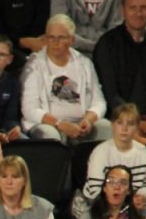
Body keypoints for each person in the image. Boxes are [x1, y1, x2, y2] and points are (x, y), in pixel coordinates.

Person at [93, 0, 146, 190]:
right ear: (123, 10)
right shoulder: (107, 44)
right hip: (120, 121)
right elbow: (109, 92)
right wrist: (134, 124)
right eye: (133, 7)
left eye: (143, 7)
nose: (138, 13)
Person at [21, 13, 110, 143]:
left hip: (80, 123)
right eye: (51, 37)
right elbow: (29, 109)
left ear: (72, 40)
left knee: (106, 127)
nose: (55, 43)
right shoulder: (34, 65)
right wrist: (60, 124)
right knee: (50, 136)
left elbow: (99, 102)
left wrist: (88, 120)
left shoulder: (84, 63)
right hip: (49, 124)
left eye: (61, 38)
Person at [81, 102, 146, 206]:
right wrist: (123, 205)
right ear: (112, 125)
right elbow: (95, 189)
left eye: (130, 124)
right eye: (120, 123)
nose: (124, 128)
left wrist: (143, 196)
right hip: (102, 205)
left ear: (137, 127)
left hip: (135, 205)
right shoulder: (100, 152)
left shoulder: (143, 152)